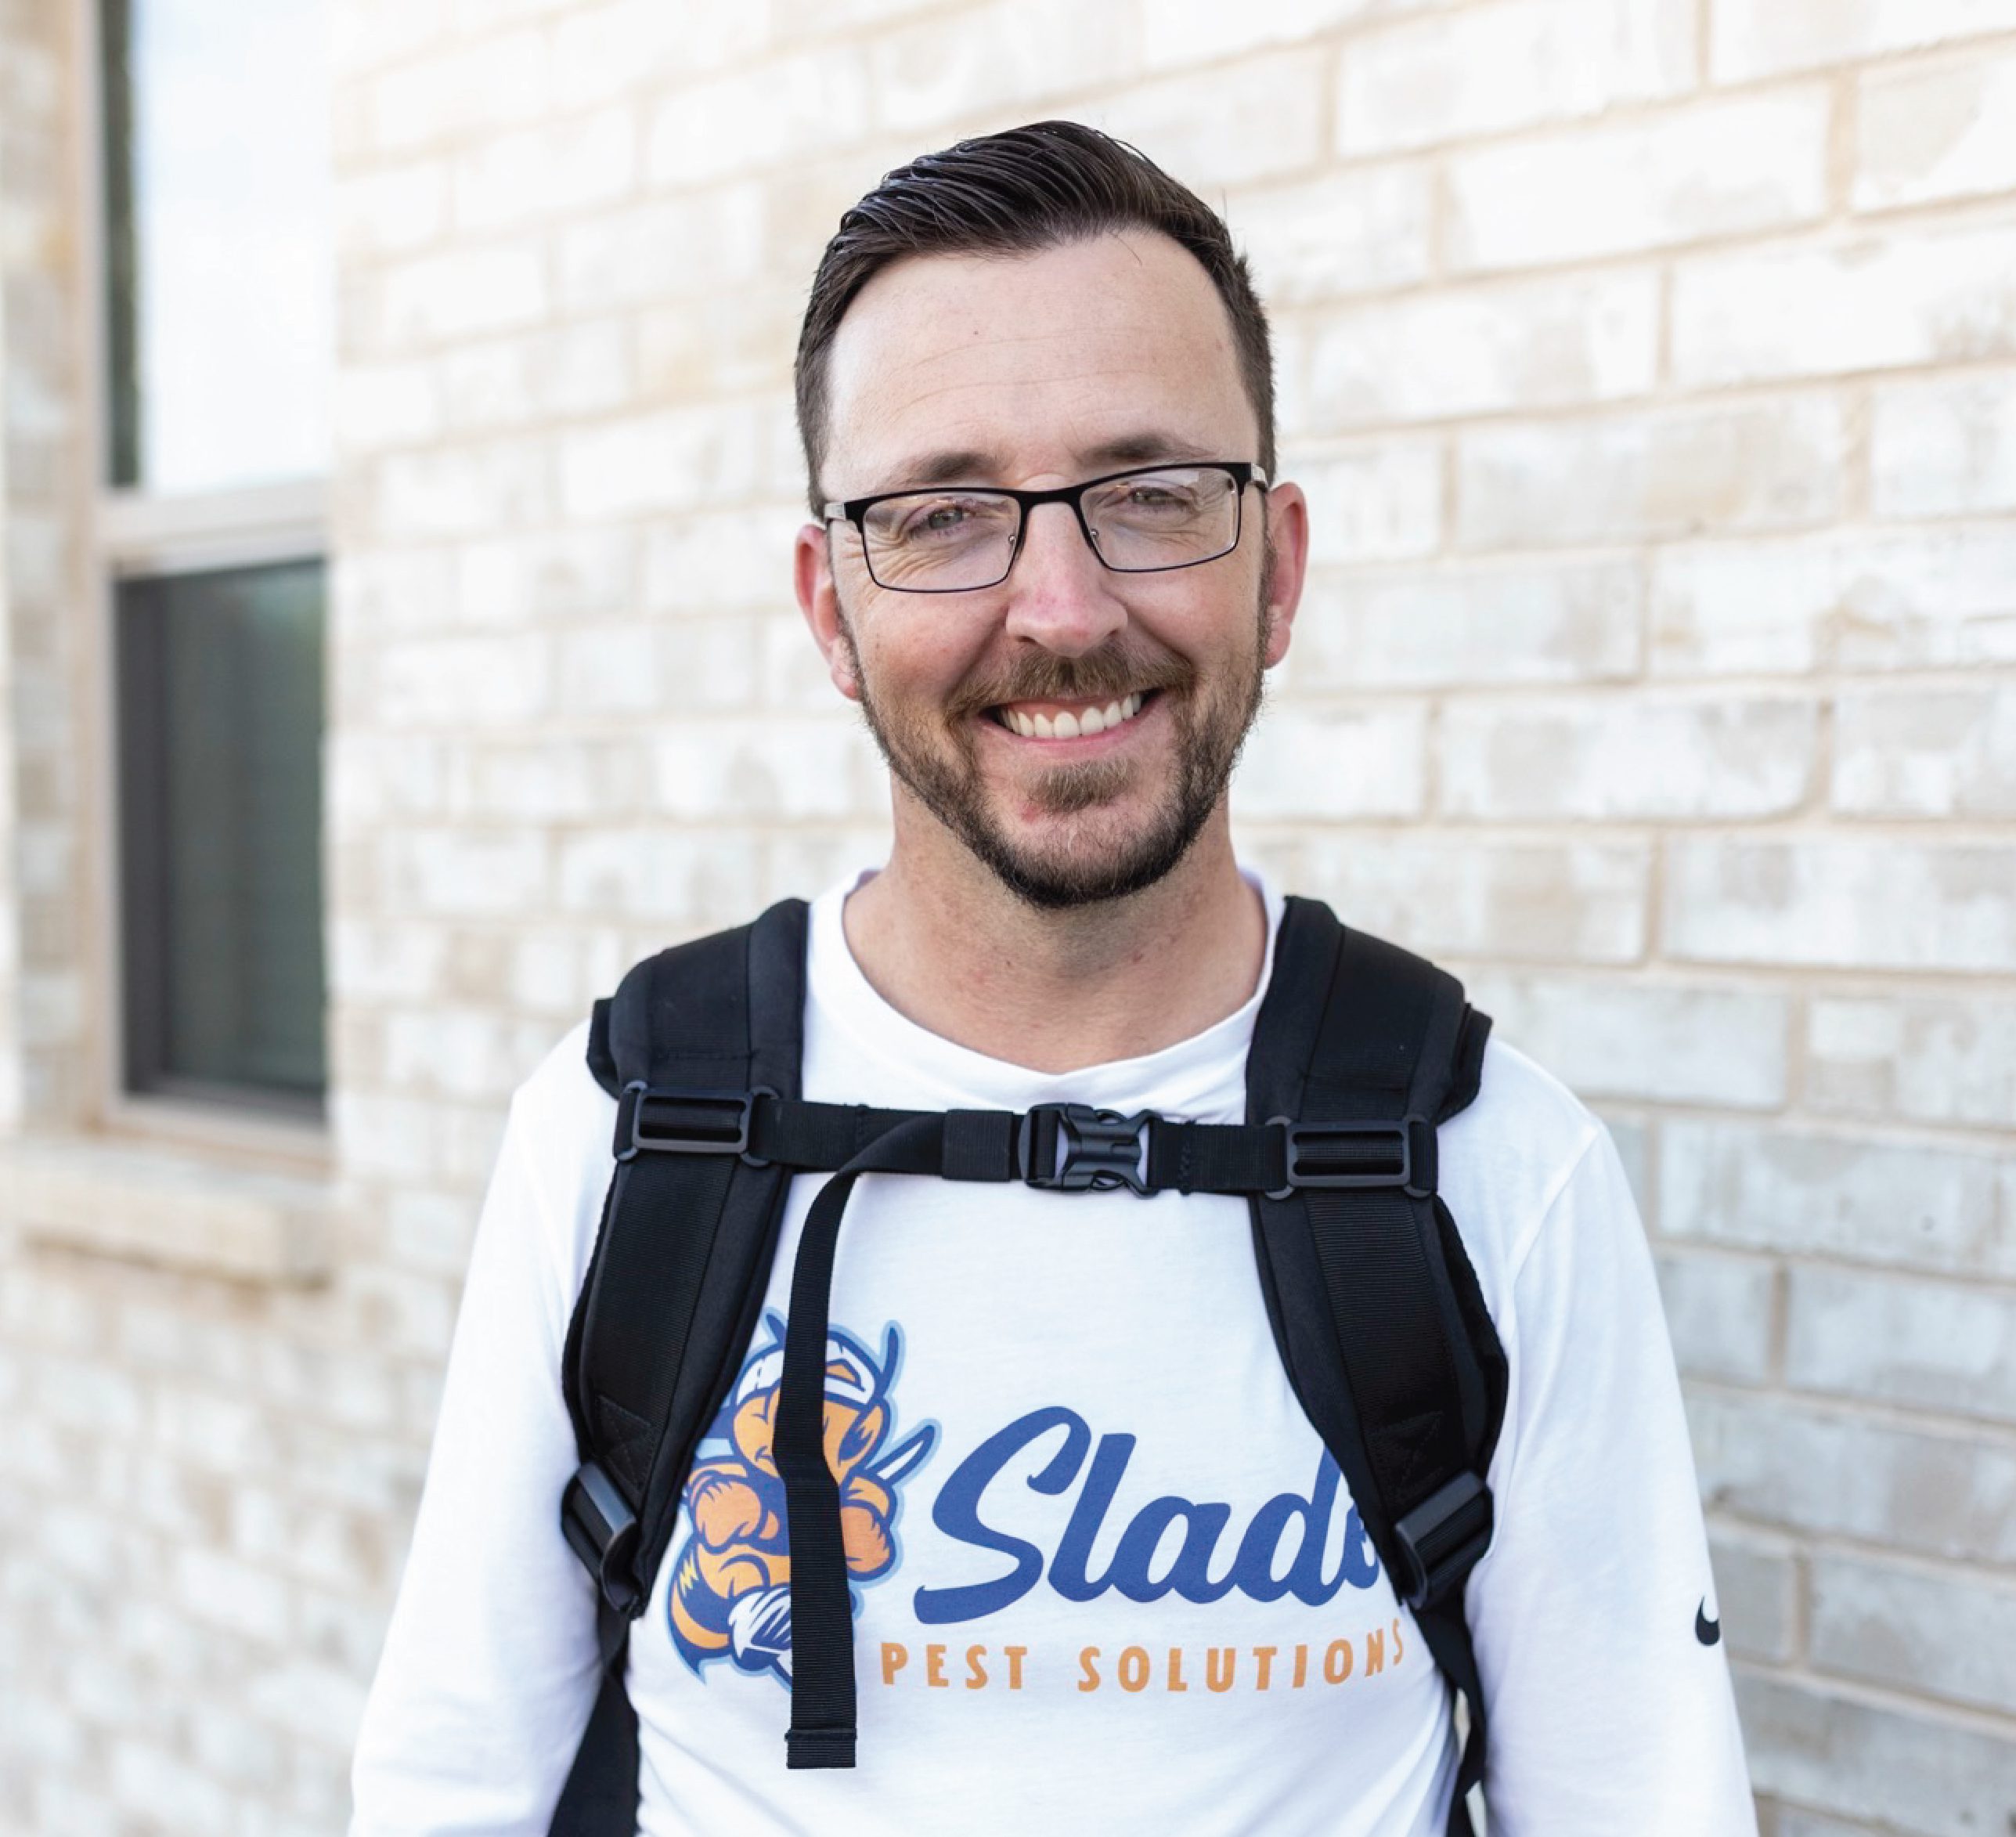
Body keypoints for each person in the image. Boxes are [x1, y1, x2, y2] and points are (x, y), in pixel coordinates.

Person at [349, 121, 1757, 1836]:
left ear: (1280, 564)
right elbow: (450, 1790)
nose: (1060, 605)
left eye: (1152, 494)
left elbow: (1641, 1804)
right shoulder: (630, 1135)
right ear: (829, 606)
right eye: (943, 517)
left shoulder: (1493, 1168)